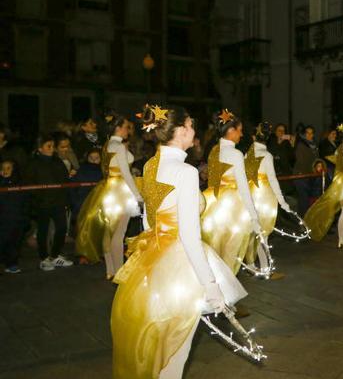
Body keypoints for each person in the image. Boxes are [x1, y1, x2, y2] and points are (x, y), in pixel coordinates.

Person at [111, 104, 247, 379]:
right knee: (176, 352)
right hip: (181, 264)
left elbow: (149, 220)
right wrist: (211, 287)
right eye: (191, 125)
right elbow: (189, 236)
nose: (194, 131)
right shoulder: (185, 172)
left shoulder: (151, 165)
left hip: (154, 256)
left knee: (163, 344)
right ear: (182, 131)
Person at [76, 112, 144, 279]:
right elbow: (126, 174)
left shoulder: (107, 145)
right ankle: (120, 272)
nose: (128, 130)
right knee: (119, 233)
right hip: (121, 190)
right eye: (126, 127)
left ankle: (110, 270)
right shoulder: (119, 147)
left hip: (108, 189)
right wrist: (138, 196)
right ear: (119, 128)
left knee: (109, 231)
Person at [200, 109, 261, 273]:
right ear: (231, 130)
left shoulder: (214, 150)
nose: (241, 135)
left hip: (214, 204)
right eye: (240, 130)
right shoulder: (235, 154)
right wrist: (253, 214)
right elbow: (243, 186)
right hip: (233, 206)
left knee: (215, 247)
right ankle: (226, 286)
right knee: (230, 249)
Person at [244, 122, 294, 278]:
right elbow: (273, 180)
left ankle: (254, 265)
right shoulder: (266, 156)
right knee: (263, 233)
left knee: (255, 232)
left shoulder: (248, 154)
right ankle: (265, 268)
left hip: (251, 195)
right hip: (264, 196)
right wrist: (282, 201)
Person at [23, 134, 74, 271]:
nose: (52, 149)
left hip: (58, 201)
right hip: (42, 203)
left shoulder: (57, 162)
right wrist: (37, 199)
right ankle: (44, 258)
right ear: (40, 148)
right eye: (48, 146)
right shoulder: (33, 163)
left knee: (62, 228)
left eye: (52, 146)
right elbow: (29, 184)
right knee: (43, 231)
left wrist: (65, 198)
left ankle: (55, 255)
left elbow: (64, 180)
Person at [0, 160, 28, 273]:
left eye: (8, 168)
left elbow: (26, 201)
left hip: (17, 218)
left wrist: (25, 216)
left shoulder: (20, 183)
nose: (5, 171)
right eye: (3, 168)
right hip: (2, 219)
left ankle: (11, 264)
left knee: (14, 242)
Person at [69, 148, 103, 236]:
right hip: (82, 206)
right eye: (91, 157)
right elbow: (72, 189)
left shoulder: (104, 172)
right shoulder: (80, 171)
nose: (94, 160)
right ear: (87, 158)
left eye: (96, 158)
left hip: (98, 207)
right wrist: (75, 204)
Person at [291, 125, 318, 214]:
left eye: (311, 133)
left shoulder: (315, 145)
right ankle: (303, 220)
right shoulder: (301, 144)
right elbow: (301, 161)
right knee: (304, 199)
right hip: (301, 175)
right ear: (304, 134)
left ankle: (306, 219)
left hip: (310, 175)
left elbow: (316, 159)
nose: (309, 135)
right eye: (307, 133)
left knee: (307, 199)